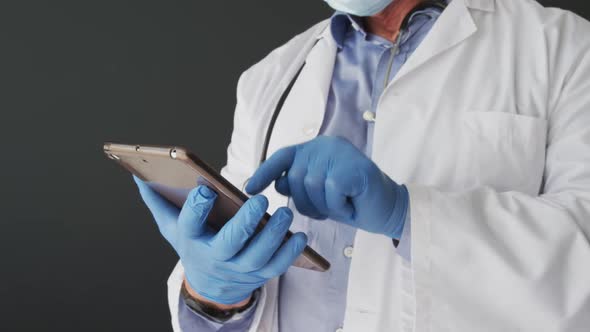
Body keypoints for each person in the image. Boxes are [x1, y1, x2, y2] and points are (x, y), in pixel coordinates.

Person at [134, 0, 590, 330]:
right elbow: (234, 268)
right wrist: (213, 295)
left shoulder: (561, 48)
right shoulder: (271, 76)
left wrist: (408, 215)